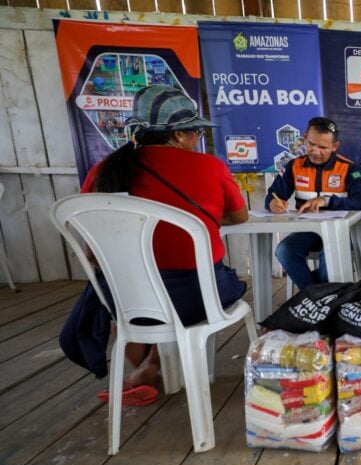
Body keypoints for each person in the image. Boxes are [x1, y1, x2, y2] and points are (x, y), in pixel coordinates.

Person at [61, 85, 250, 406]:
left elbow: (94, 254)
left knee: (123, 308)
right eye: (194, 132)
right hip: (198, 298)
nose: (196, 139)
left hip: (129, 302)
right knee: (229, 283)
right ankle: (150, 368)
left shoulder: (104, 171)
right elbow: (239, 216)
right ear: (178, 135)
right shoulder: (210, 167)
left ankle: (147, 368)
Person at [265, 118, 361, 290]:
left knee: (329, 256)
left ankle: (314, 297)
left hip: (339, 231)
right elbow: (273, 195)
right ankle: (318, 297)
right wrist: (272, 203)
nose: (315, 151)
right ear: (305, 137)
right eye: (311, 144)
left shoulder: (349, 168)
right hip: (307, 231)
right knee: (284, 251)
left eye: (323, 148)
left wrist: (326, 200)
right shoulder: (294, 165)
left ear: (335, 146)